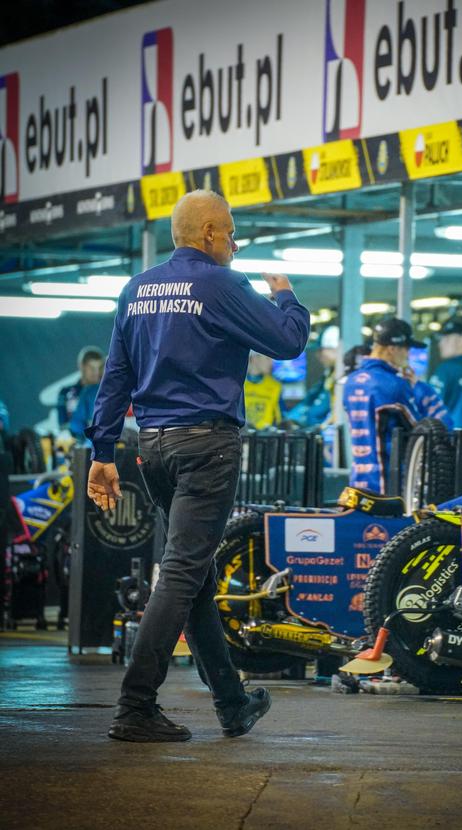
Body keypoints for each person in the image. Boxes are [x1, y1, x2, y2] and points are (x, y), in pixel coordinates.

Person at [85, 189, 310, 743]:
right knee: (183, 573)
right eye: (231, 232)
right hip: (207, 446)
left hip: (153, 448)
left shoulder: (137, 289)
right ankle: (135, 706)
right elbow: (288, 342)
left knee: (197, 579)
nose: (235, 243)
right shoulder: (222, 284)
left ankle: (232, 704)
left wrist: (102, 452)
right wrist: (286, 296)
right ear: (208, 233)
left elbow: (116, 376)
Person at [343, 317, 452, 494]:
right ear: (392, 349)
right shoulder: (394, 385)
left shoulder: (351, 381)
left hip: (358, 483)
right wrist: (418, 388)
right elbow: (425, 430)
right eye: (407, 349)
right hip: (387, 486)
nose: (409, 355)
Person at [288, 324, 339, 427]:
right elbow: (310, 398)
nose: (318, 356)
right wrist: (291, 418)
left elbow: (320, 410)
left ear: (334, 350)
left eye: (321, 350)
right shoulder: (329, 375)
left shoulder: (340, 377)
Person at [57, 347, 104, 430]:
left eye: (100, 367)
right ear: (82, 366)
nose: (97, 372)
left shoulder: (109, 391)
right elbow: (63, 426)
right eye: (92, 368)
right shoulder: (66, 392)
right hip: (77, 439)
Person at [243, 352, 284, 429]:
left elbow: (280, 418)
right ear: (255, 358)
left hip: (266, 438)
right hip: (241, 436)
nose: (271, 363)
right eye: (267, 358)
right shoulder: (238, 384)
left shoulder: (275, 386)